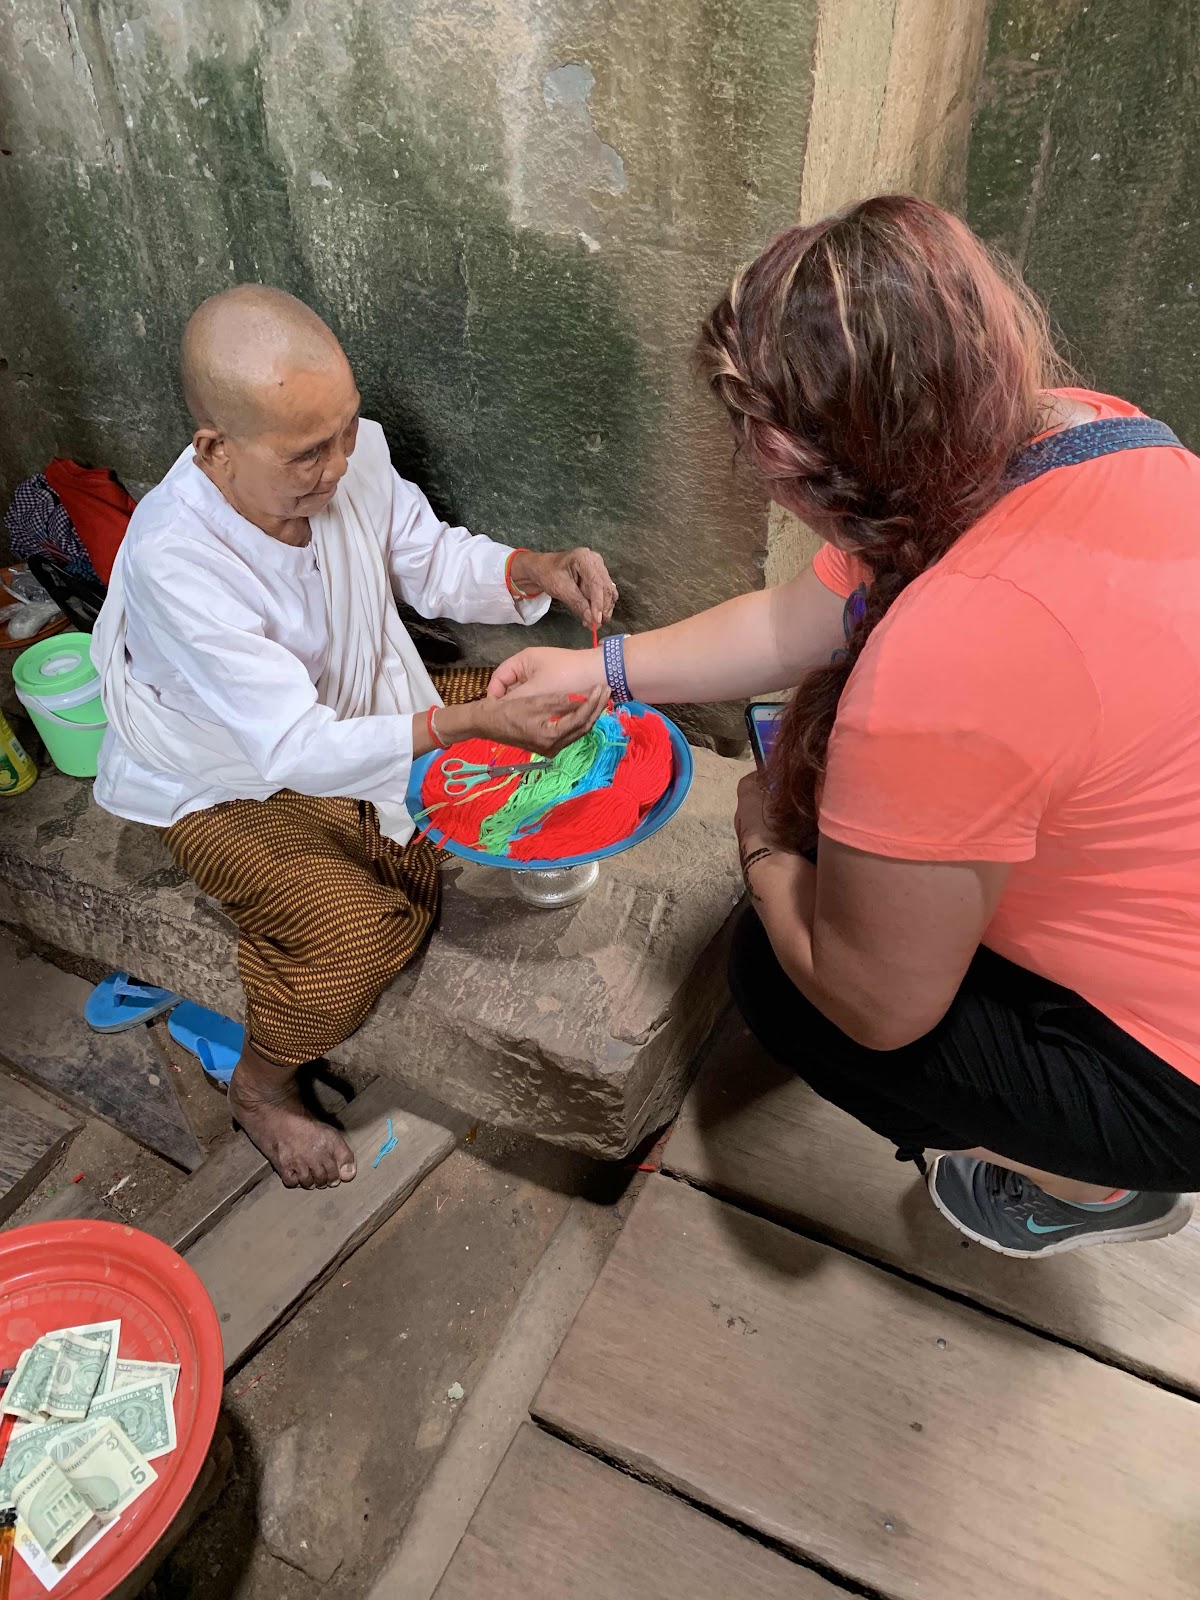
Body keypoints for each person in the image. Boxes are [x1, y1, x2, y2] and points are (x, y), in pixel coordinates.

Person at [489, 193, 1200, 1259]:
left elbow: (878, 1005)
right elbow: (801, 619)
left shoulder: (948, 657)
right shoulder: (1072, 432)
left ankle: (1094, 1185)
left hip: (1176, 1075)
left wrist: (760, 838)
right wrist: (605, 668)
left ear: (794, 472)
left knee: (780, 979)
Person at [91, 285, 615, 1191]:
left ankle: (407, 806)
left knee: (557, 709)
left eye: (346, 429)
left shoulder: (349, 454)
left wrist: (535, 567)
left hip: (343, 708)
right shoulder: (178, 560)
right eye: (307, 452)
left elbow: (427, 557)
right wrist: (462, 723)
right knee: (354, 939)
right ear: (215, 450)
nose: (340, 465)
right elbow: (293, 746)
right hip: (227, 777)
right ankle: (260, 1088)